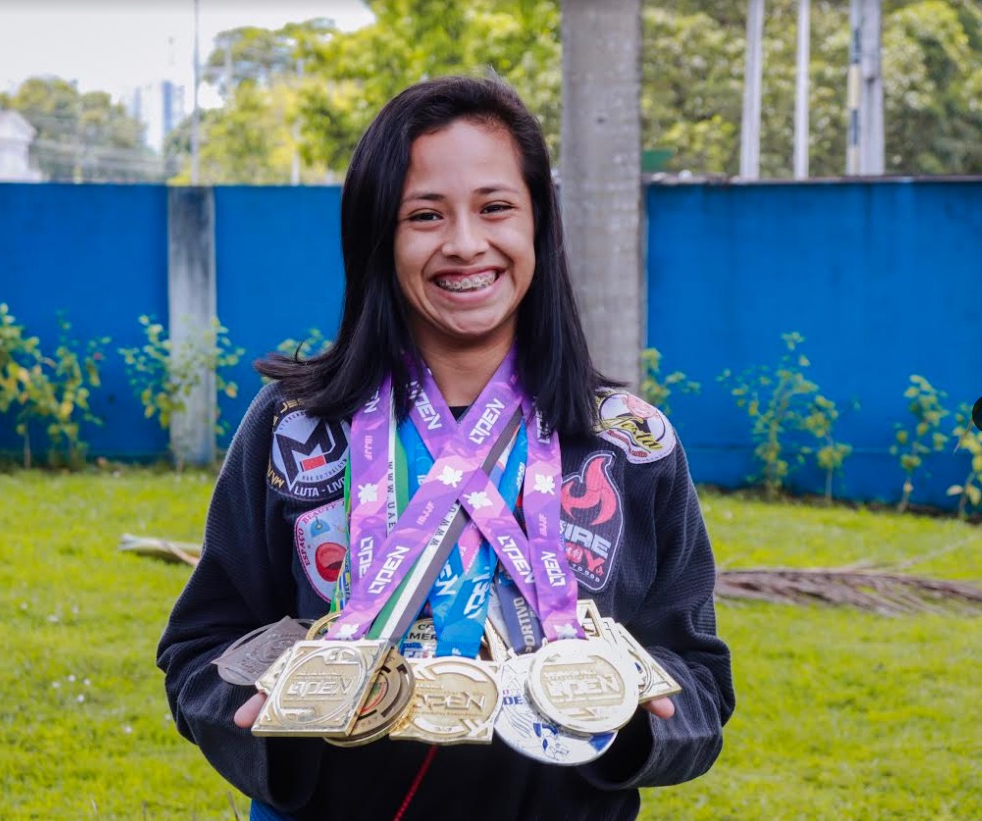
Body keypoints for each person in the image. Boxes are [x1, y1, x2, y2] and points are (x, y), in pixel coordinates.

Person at [157, 74, 735, 821]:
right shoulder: (294, 426)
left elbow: (699, 674)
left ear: (537, 225)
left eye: (495, 207)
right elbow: (202, 641)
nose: (465, 244)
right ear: (379, 237)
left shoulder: (629, 442)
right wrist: (273, 724)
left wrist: (629, 725)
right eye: (425, 215)